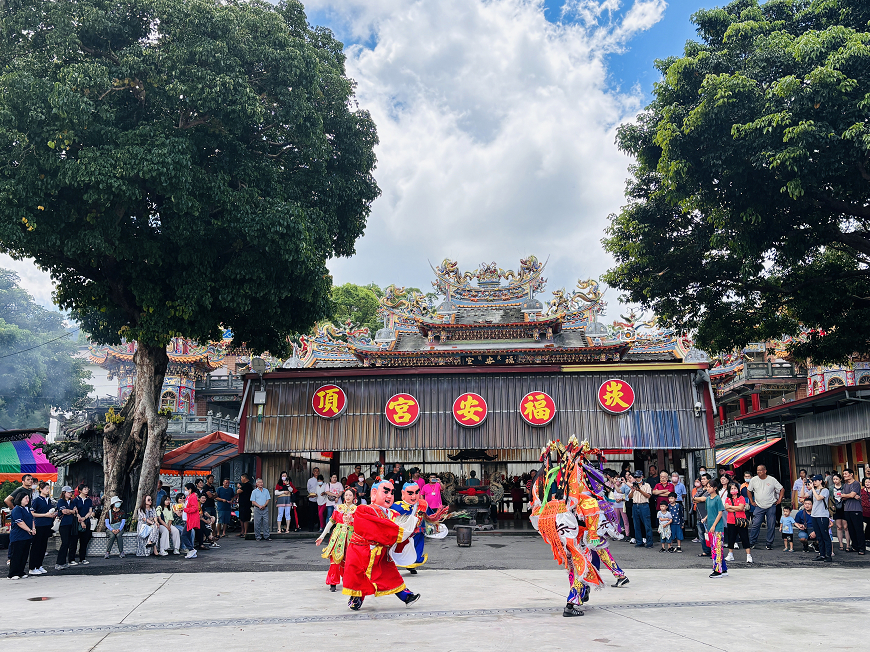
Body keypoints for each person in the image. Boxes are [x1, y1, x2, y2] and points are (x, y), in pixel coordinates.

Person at [342, 480, 421, 611]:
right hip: (362, 552)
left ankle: (407, 596)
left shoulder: (393, 514)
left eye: (392, 492)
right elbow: (377, 528)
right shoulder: (364, 510)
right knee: (360, 578)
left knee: (391, 575)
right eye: (385, 491)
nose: (389, 496)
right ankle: (356, 599)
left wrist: (411, 530)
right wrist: (399, 532)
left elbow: (398, 532)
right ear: (374, 493)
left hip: (382, 553)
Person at [391, 482, 449, 574]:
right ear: (403, 493)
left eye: (416, 493)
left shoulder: (423, 504)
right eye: (410, 493)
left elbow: (430, 517)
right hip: (404, 535)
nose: (414, 496)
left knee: (417, 552)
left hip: (418, 533)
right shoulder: (396, 506)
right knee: (400, 552)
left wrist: (439, 520)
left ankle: (412, 566)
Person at [315, 487, 358, 591]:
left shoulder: (357, 509)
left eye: (350, 495)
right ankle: (333, 582)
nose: (348, 497)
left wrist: (352, 519)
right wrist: (322, 536)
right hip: (338, 535)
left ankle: (347, 579)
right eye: (346, 495)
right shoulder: (338, 508)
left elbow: (360, 524)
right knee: (335, 558)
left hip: (351, 536)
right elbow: (331, 522)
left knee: (350, 559)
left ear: (354, 497)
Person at [747, 465, 784, 550]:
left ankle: (769, 543)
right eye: (757, 470)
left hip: (771, 505)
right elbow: (749, 490)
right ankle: (752, 542)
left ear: (765, 471)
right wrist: (751, 501)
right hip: (759, 506)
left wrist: (780, 500)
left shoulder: (772, 479)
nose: (758, 472)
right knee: (755, 524)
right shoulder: (754, 480)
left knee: (771, 525)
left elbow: (782, 489)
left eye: (760, 470)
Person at [27, 481, 56, 575]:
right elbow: (32, 513)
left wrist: (52, 515)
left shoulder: (48, 500)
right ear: (41, 489)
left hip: (47, 524)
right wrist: (45, 515)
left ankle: (39, 565)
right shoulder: (37, 500)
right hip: (39, 524)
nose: (47, 490)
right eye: (46, 488)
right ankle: (32, 567)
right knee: (36, 546)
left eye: (48, 488)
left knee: (43, 546)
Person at [8, 492, 35, 580]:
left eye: (28, 498)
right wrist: (29, 530)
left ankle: (21, 571)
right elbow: (19, 522)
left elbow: (32, 519)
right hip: (18, 536)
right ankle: (13, 573)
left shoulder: (27, 509)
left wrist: (33, 528)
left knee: (24, 554)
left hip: (27, 536)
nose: (27, 500)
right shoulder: (17, 509)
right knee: (16, 554)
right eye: (25, 498)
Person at [723, 482, 752, 564]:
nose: (733, 490)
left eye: (735, 488)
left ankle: (748, 555)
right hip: (731, 520)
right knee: (731, 538)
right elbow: (726, 508)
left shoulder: (741, 498)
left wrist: (731, 507)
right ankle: (730, 554)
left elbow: (740, 507)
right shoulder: (728, 498)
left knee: (744, 537)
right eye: (731, 488)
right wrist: (736, 508)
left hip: (741, 520)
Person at [705, 479, 728, 578]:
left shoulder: (718, 499)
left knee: (716, 549)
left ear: (715, 488)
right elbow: (709, 512)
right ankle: (724, 569)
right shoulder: (708, 499)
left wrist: (714, 525)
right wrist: (705, 519)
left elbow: (720, 513)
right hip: (710, 526)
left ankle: (717, 570)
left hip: (717, 527)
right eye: (707, 486)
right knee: (715, 547)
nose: (708, 488)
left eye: (709, 486)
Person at [840, 468, 865, 555]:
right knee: (851, 529)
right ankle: (855, 546)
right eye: (843, 474)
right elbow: (842, 497)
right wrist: (850, 496)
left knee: (858, 529)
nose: (844, 476)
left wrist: (850, 496)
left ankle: (862, 548)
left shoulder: (856, 483)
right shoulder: (845, 485)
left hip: (856, 509)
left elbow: (851, 494)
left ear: (851, 474)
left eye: (846, 474)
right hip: (847, 509)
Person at [810, 474, 832, 562]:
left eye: (816, 481)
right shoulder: (814, 490)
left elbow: (819, 498)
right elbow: (803, 495)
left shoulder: (825, 490)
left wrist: (812, 489)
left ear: (820, 481)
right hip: (814, 515)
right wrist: (805, 485)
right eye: (813, 481)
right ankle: (822, 554)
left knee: (825, 535)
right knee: (819, 536)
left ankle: (828, 555)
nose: (814, 482)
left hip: (822, 515)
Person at [71, 484, 94, 565]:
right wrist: (81, 520)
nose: (86, 490)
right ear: (80, 490)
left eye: (87, 488)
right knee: (74, 541)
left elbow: (90, 511)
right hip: (77, 522)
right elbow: (75, 511)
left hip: (86, 521)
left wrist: (84, 518)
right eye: (85, 489)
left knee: (84, 541)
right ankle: (72, 559)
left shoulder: (89, 500)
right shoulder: (75, 500)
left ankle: (82, 558)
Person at [629, 470, 653, 548]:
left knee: (647, 525)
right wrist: (632, 491)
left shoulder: (647, 485)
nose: (637, 479)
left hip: (644, 505)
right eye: (636, 477)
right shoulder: (633, 485)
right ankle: (639, 542)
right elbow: (629, 497)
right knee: (636, 524)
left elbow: (648, 496)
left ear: (642, 477)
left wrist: (639, 490)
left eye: (638, 477)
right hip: (635, 505)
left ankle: (649, 542)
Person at [54, 486, 76, 570]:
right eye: (68, 492)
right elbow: (64, 511)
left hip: (71, 523)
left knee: (69, 543)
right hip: (64, 524)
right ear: (64, 493)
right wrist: (71, 511)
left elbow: (74, 511)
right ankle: (59, 562)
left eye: (71, 492)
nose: (70, 494)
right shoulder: (61, 501)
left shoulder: (72, 502)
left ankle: (63, 562)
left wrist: (70, 511)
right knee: (65, 543)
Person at [830, 472, 850, 552]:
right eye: (834, 479)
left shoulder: (844, 486)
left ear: (840, 479)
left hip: (844, 507)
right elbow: (830, 498)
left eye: (836, 479)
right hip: (836, 508)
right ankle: (841, 544)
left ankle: (848, 544)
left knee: (846, 527)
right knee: (839, 527)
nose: (835, 481)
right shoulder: (831, 488)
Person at [694, 474, 712, 556]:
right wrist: (697, 499)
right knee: (701, 535)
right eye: (701, 479)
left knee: (709, 534)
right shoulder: (700, 490)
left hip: (707, 515)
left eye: (704, 479)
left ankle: (713, 551)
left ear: (708, 480)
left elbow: (704, 499)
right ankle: (705, 551)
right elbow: (693, 498)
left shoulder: (711, 490)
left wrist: (697, 499)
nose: (702, 480)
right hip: (699, 515)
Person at [183, 482, 201, 558]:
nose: (185, 491)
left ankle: (191, 549)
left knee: (184, 535)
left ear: (190, 490)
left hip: (191, 519)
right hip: (188, 518)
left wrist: (185, 509)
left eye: (186, 489)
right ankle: (192, 550)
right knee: (187, 534)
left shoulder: (193, 497)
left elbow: (195, 508)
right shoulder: (189, 497)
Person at [236, 473, 254, 538]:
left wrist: (239, 487)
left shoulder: (248, 485)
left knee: (245, 518)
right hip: (241, 503)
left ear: (244, 478)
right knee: (241, 518)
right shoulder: (244, 485)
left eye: (241, 478)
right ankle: (242, 531)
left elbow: (238, 491)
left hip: (246, 503)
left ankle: (245, 531)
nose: (241, 480)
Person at [306, 466, 321, 532]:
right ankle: (310, 528)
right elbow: (308, 489)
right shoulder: (310, 480)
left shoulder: (321, 480)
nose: (316, 472)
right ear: (313, 472)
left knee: (319, 514)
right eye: (315, 471)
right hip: (312, 499)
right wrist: (311, 494)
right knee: (311, 514)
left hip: (319, 499)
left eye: (317, 471)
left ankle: (319, 527)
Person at [861, 476, 870, 544]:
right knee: (863, 526)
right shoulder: (861, 491)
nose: (867, 483)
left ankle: (868, 539)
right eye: (866, 482)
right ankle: (865, 539)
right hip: (863, 511)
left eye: (869, 482)